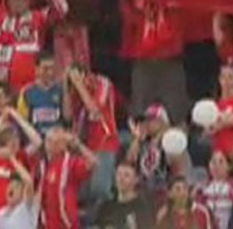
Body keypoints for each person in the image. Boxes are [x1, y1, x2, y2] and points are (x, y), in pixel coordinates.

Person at [63, 64, 118, 207]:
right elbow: (68, 115)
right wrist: (66, 88)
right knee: (83, 192)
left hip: (105, 142)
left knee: (100, 189)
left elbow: (95, 110)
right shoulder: (74, 90)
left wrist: (79, 85)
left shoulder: (102, 83)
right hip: (84, 146)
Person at [37, 127, 97, 229]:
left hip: (66, 223)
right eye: (48, 141)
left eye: (55, 142)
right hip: (47, 223)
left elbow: (93, 162)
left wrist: (78, 144)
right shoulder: (43, 164)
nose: (49, 145)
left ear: (63, 146)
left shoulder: (70, 163)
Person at [195, 150, 233, 229]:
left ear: (229, 166)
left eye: (221, 162)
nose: (216, 166)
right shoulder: (201, 188)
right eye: (213, 162)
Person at [96, 160, 157, 229]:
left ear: (136, 179)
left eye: (126, 175)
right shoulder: (106, 206)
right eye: (119, 174)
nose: (121, 179)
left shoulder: (143, 206)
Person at [0, 161, 38, 229]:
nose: (11, 188)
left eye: (16, 186)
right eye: (10, 185)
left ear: (23, 192)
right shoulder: (0, 213)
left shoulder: (26, 207)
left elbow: (28, 181)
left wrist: (11, 158)